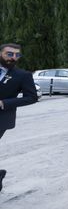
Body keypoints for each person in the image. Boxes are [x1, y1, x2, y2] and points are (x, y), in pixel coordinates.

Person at [0, 43, 38, 191]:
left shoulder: (22, 75)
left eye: (17, 55)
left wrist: (4, 103)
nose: (14, 57)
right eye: (10, 54)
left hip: (2, 118)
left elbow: (31, 97)